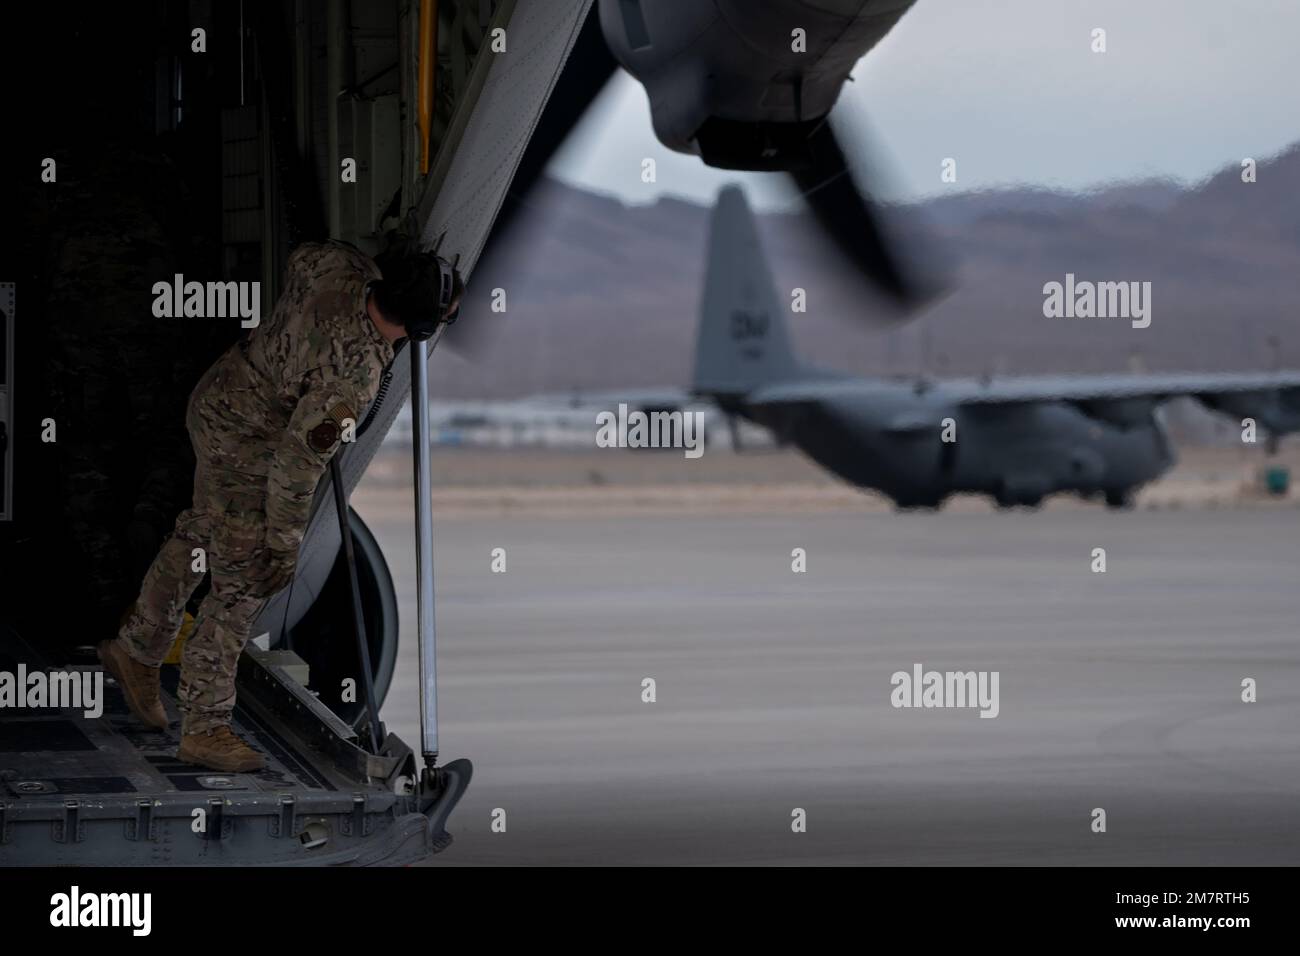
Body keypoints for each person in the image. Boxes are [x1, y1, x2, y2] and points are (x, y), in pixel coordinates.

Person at [97, 239, 461, 772]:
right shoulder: (353, 375)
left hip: (220, 398)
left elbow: (300, 257)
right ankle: (205, 727)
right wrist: (283, 545)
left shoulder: (343, 268)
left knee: (199, 530)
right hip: (248, 443)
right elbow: (296, 467)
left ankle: (138, 650)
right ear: (421, 328)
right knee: (244, 582)